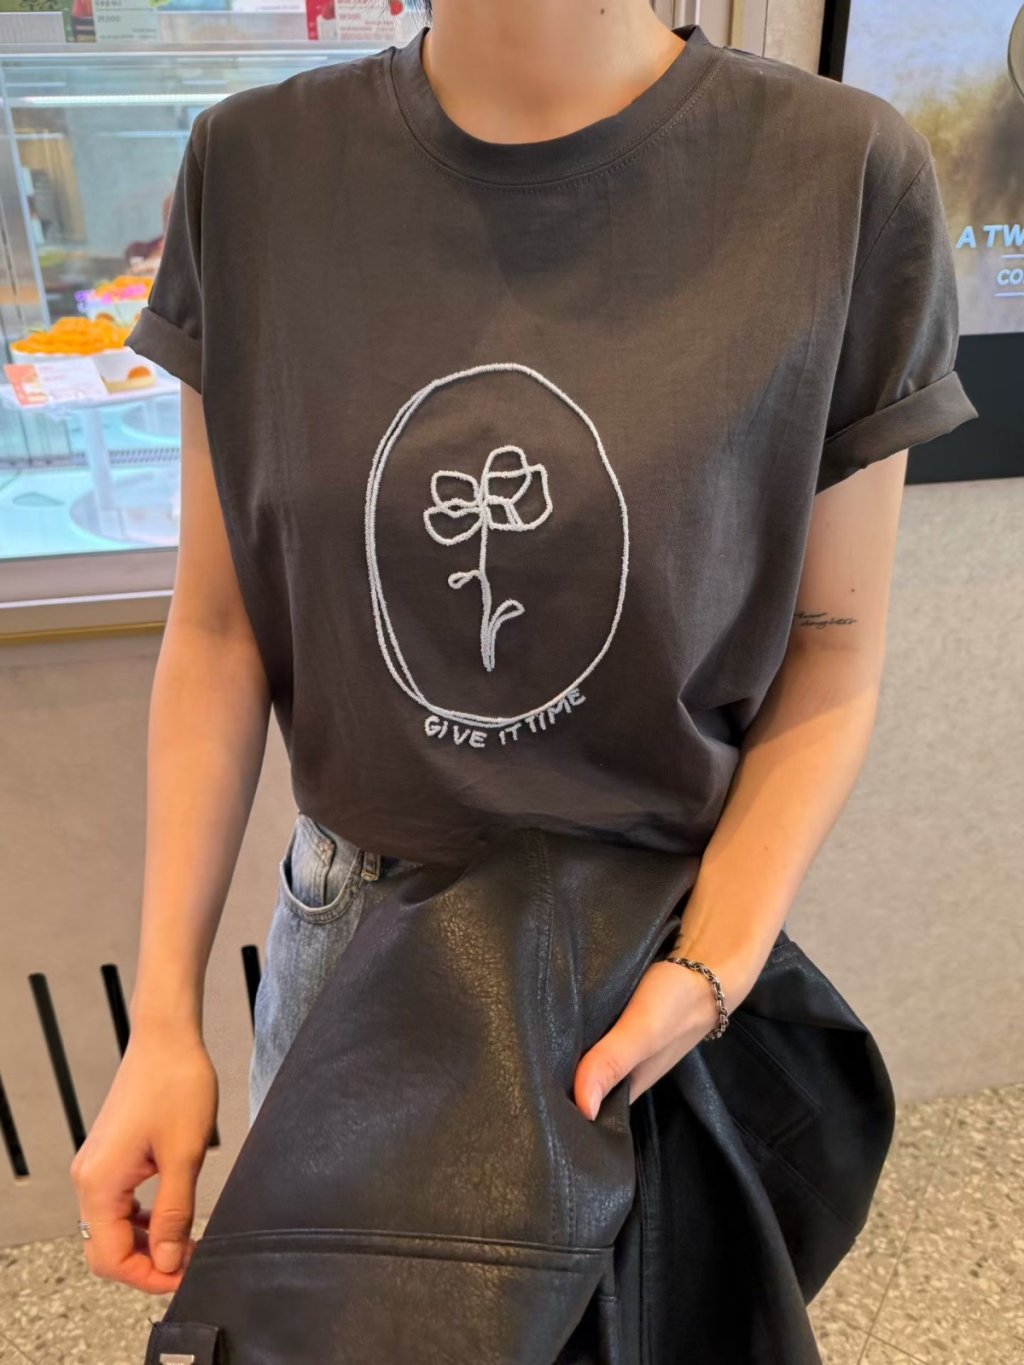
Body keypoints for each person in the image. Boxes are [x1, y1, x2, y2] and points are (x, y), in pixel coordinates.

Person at [70, 0, 978, 1320]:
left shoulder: (839, 175)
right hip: (355, 948)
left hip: (648, 955)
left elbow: (830, 649)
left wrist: (711, 970)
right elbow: (218, 626)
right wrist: (163, 1019)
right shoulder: (253, 168)